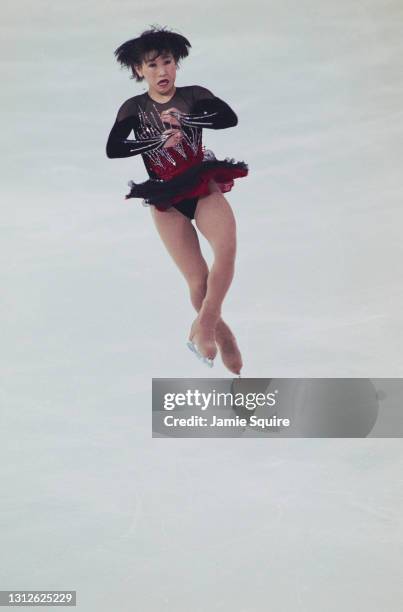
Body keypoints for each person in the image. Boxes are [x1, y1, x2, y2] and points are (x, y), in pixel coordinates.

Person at [106, 26, 248, 375]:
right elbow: (114, 149)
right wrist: (156, 143)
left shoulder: (194, 96)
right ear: (139, 71)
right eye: (152, 66)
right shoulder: (134, 108)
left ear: (176, 64)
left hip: (200, 185)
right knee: (198, 281)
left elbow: (228, 119)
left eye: (167, 62)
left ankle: (207, 323)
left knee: (226, 250)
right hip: (165, 198)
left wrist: (188, 121)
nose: (161, 71)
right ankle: (223, 336)